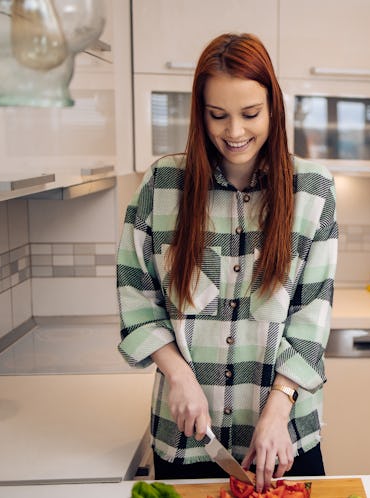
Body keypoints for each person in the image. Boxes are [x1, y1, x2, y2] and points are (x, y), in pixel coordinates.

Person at [116, 33, 338, 491]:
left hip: (282, 437)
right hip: (187, 437)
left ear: (274, 108)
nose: (234, 132)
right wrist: (177, 373)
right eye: (218, 116)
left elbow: (312, 313)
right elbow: (137, 296)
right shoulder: (162, 185)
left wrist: (279, 404)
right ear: (200, 114)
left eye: (250, 114)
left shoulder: (312, 191)